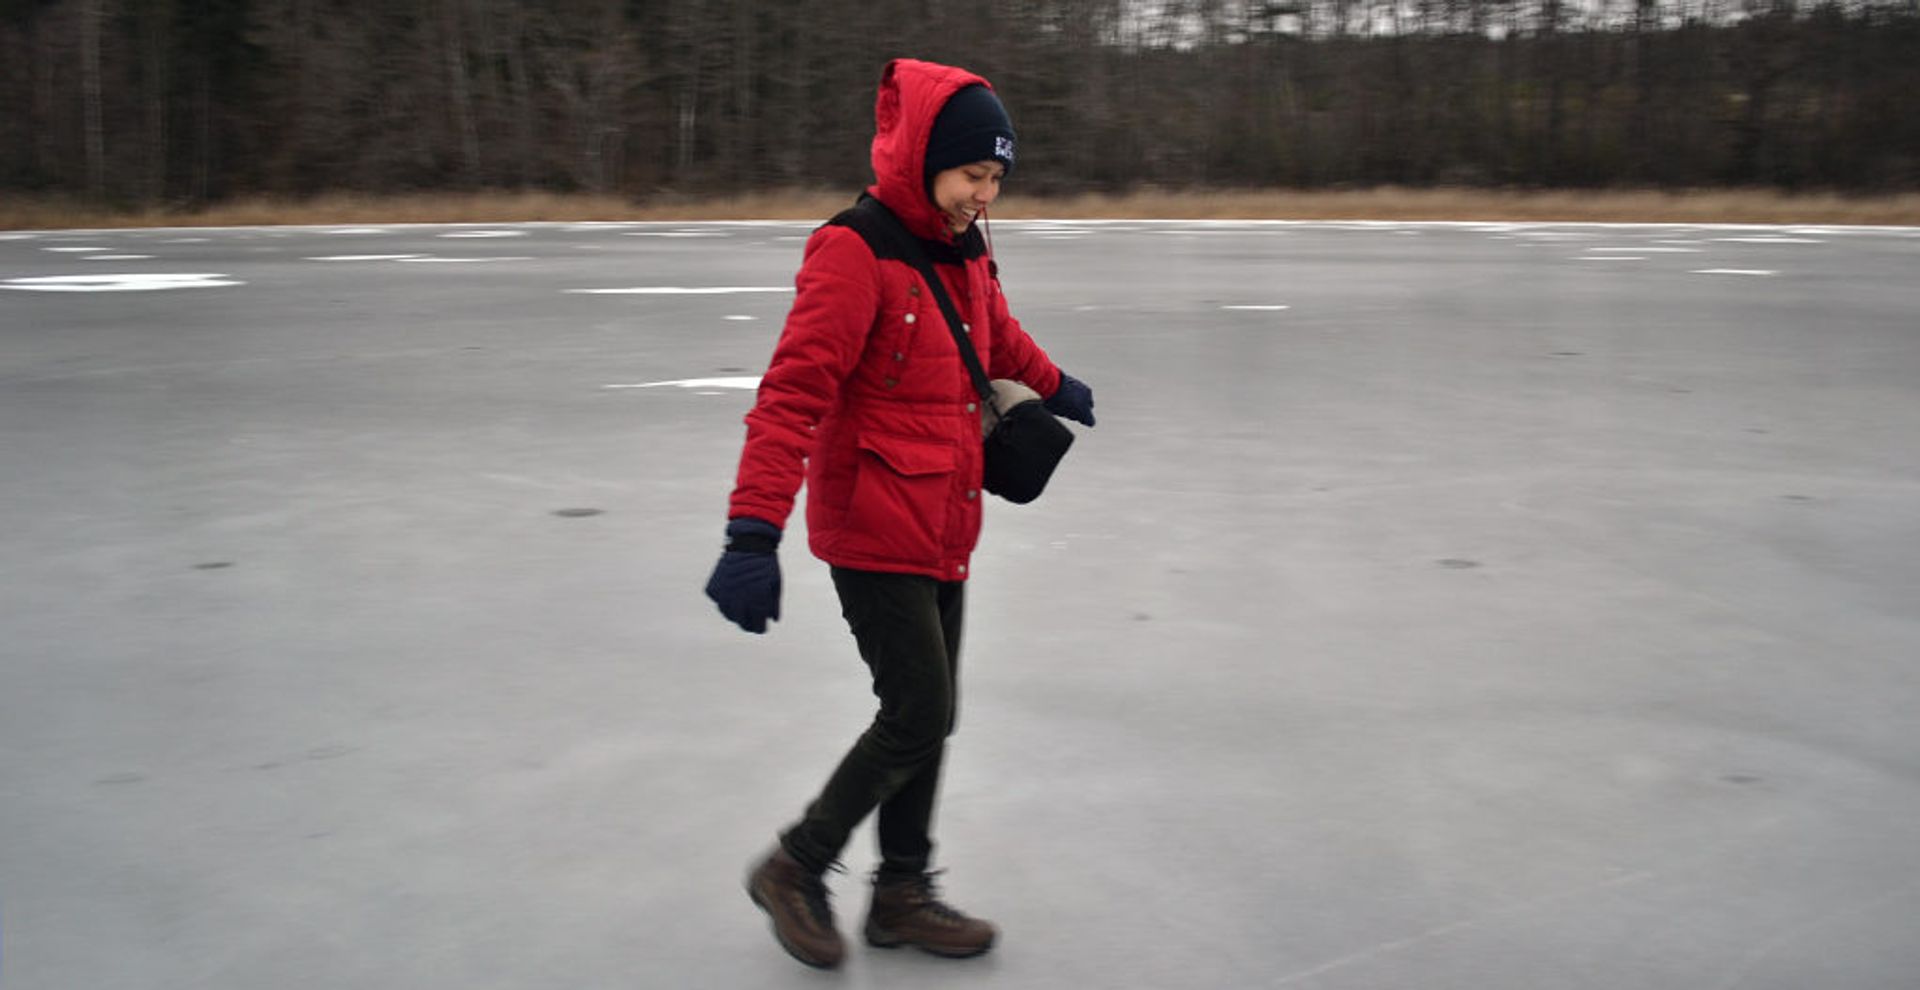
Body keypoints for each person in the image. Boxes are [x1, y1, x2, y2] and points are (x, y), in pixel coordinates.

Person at [702, 58, 1096, 969]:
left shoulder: (965, 250)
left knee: (933, 713)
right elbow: (790, 397)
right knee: (918, 710)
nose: (983, 194)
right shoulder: (854, 249)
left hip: (945, 516)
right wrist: (751, 531)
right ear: (925, 159)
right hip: (872, 522)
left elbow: (994, 337)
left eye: (997, 178)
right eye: (972, 175)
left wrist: (1054, 382)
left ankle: (902, 895)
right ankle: (795, 868)